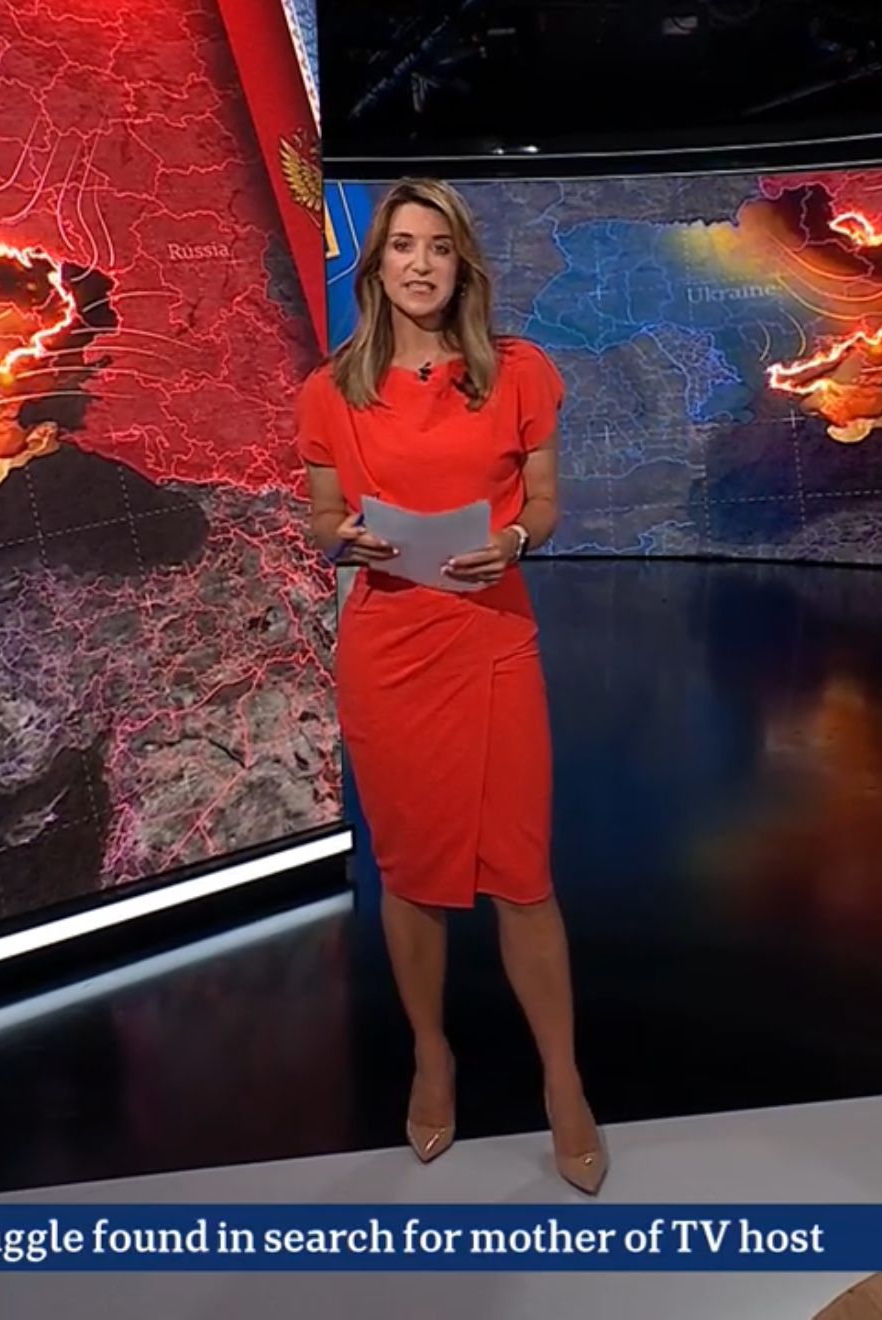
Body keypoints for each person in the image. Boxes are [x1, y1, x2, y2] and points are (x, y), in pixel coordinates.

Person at [295, 178, 605, 1195]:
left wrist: (513, 537)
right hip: (389, 652)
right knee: (412, 875)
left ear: (461, 263)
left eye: (436, 246)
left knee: (523, 874)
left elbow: (544, 502)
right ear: (376, 267)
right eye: (401, 247)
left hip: (493, 639)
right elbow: (322, 519)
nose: (419, 263)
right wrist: (345, 538)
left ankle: (563, 1081)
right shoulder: (331, 390)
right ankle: (433, 1055)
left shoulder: (518, 372)